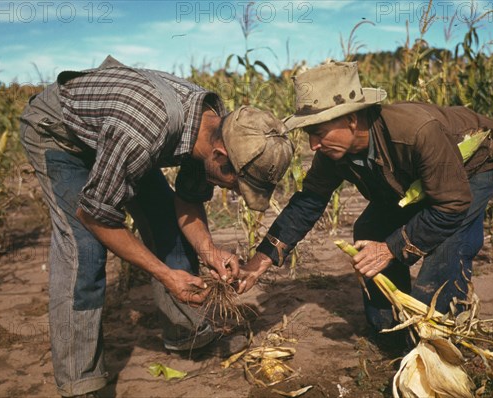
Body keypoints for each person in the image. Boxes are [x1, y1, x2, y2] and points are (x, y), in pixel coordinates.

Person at [19, 55, 293, 397]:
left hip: (118, 137)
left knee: (166, 222)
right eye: (236, 183)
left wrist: (208, 250)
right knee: (84, 248)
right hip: (61, 136)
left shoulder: (215, 126)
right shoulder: (143, 130)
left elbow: (186, 201)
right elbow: (94, 215)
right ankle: (80, 380)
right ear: (220, 155)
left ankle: (185, 331)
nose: (232, 191)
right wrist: (165, 274)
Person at [237, 61, 493, 351]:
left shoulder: (417, 132)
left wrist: (392, 248)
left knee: (448, 243)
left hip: (475, 164)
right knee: (370, 229)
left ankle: (439, 336)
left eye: (318, 132)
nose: (313, 145)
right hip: (414, 178)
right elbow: (308, 202)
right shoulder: (331, 154)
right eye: (309, 135)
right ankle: (388, 327)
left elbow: (451, 205)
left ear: (351, 120)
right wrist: (261, 260)